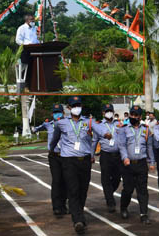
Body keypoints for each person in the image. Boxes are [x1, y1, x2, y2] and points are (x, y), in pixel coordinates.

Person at [50, 97, 103, 234]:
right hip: (69, 161)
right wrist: (52, 149)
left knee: (83, 190)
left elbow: (100, 129)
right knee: (73, 190)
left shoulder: (88, 122)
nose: (76, 107)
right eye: (74, 105)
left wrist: (107, 134)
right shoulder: (61, 123)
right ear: (68, 108)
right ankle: (78, 220)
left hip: (84, 160)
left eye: (78, 105)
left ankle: (78, 213)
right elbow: (55, 139)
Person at [117, 105, 155, 225]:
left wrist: (152, 162)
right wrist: (125, 157)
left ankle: (143, 214)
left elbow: (149, 147)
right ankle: (123, 208)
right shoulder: (124, 129)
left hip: (141, 163)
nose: (134, 117)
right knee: (128, 189)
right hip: (128, 164)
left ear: (140, 116)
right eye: (132, 114)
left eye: (136, 115)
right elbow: (122, 145)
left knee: (142, 189)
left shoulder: (146, 129)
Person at [34, 104, 67, 216]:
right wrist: (34, 128)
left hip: (66, 155)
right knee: (57, 180)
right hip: (54, 155)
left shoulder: (68, 123)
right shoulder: (48, 124)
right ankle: (56, 207)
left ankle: (63, 205)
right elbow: (36, 129)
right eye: (55, 112)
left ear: (63, 113)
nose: (57, 114)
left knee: (66, 180)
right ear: (52, 114)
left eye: (59, 112)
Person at [91, 104, 122, 213]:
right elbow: (94, 141)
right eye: (107, 111)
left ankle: (108, 192)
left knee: (117, 178)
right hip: (106, 155)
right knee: (105, 178)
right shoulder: (99, 126)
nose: (109, 113)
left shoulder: (119, 124)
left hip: (118, 155)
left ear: (113, 112)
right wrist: (92, 155)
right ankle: (110, 202)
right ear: (103, 113)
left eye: (110, 111)